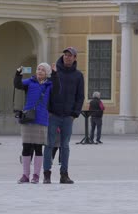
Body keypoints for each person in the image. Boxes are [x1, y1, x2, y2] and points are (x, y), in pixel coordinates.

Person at [43, 47, 84, 184]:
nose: (67, 57)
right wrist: (47, 111)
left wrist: (75, 114)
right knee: (49, 144)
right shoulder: (54, 73)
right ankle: (47, 174)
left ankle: (64, 174)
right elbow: (47, 92)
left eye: (70, 56)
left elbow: (80, 97)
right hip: (53, 115)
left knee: (65, 145)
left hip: (68, 117)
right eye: (65, 55)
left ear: (75, 58)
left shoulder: (78, 76)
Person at [14, 63, 59, 184]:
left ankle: (36, 175)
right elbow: (17, 84)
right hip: (28, 118)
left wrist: (55, 74)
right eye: (38, 69)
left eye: (43, 70)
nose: (39, 71)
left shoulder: (50, 85)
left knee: (38, 148)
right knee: (26, 147)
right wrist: (18, 73)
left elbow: (57, 89)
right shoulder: (30, 82)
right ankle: (25, 175)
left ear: (47, 73)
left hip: (41, 119)